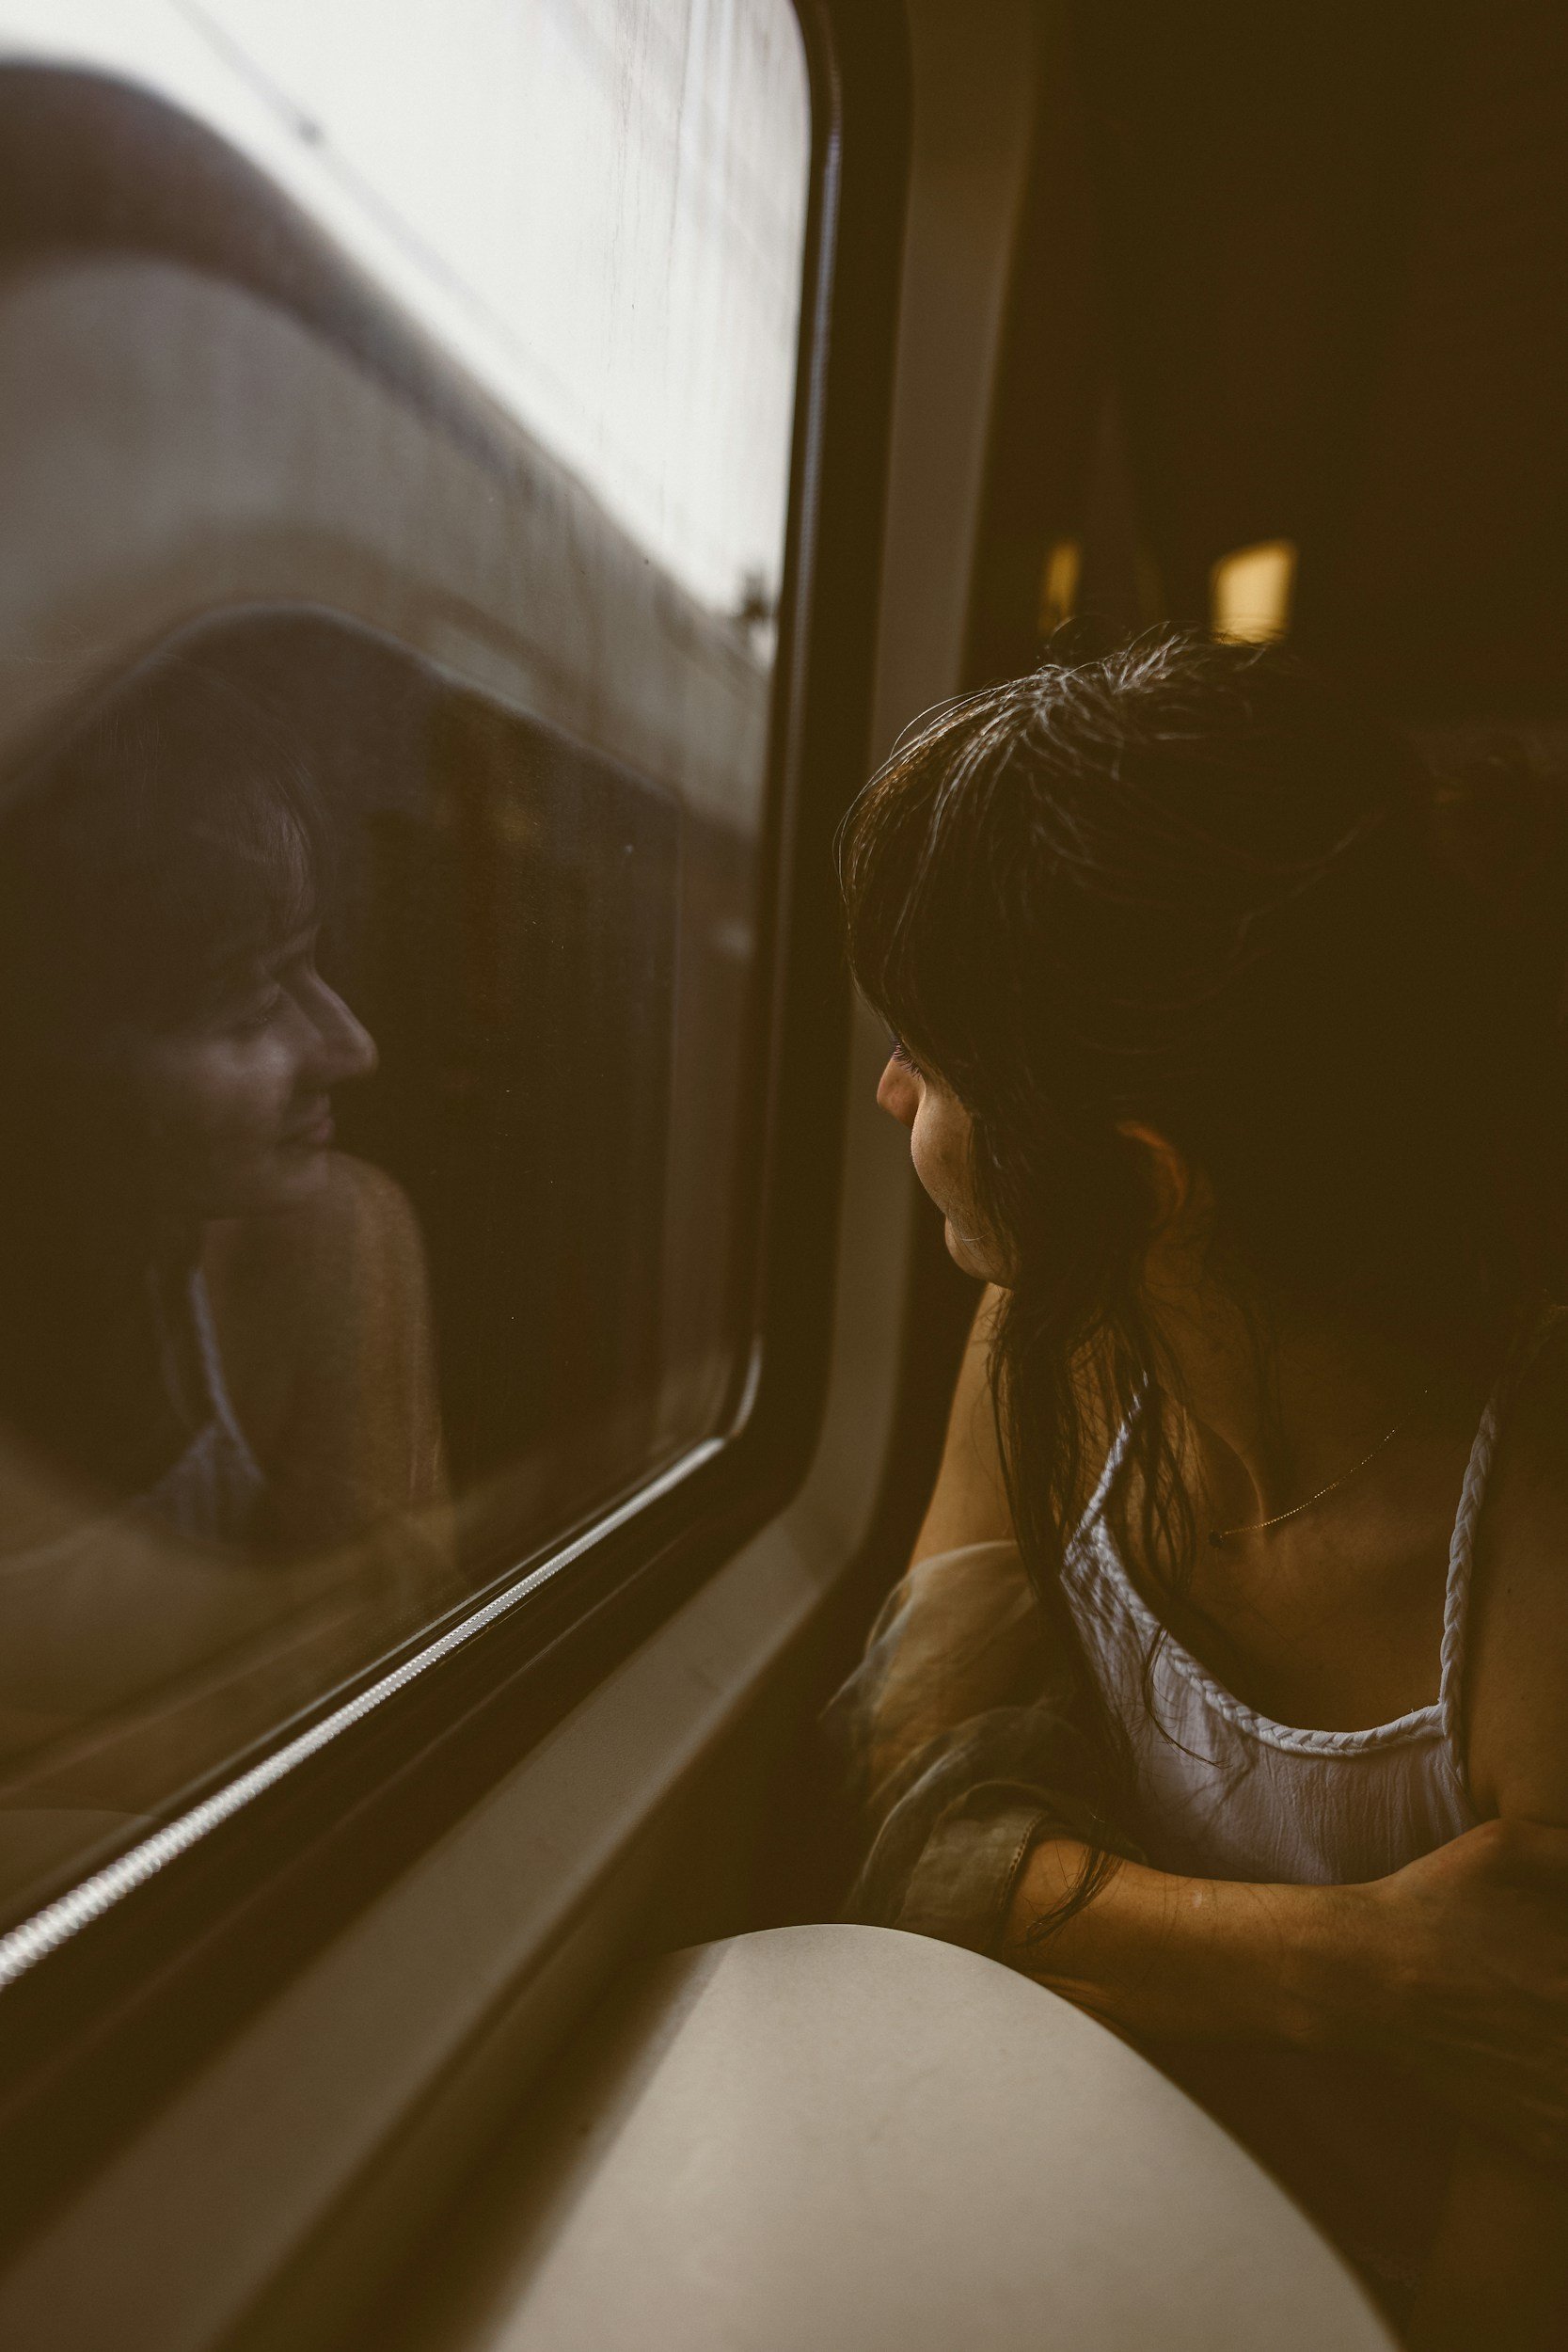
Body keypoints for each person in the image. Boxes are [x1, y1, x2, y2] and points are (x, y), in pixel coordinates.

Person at [832, 634, 1568, 2348]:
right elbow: (910, 1819)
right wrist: (1354, 1966)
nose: (889, 1094)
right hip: (1119, 2225)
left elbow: (1525, 2169)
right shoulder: (1047, 1334)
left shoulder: (1532, 1487)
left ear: (1141, 1182)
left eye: (932, 1064)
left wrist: (1102, 1922)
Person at [0, 653, 450, 1832]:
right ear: (44, 1074)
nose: (349, 1044)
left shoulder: (325, 1241)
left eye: (311, 964)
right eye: (249, 1007)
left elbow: (373, 1700)